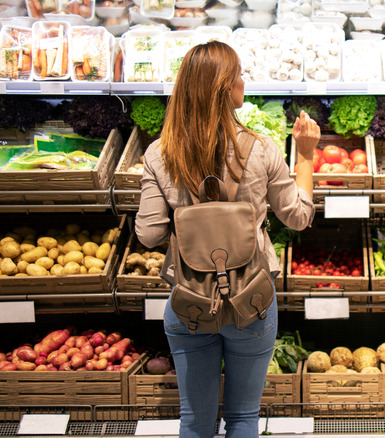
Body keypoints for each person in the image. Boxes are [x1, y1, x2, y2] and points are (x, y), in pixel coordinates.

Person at [135, 41, 319, 438]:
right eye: (237, 74)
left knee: (195, 422)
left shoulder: (159, 153)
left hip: (189, 302)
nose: (243, 80)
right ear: (223, 88)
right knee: (242, 418)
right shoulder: (260, 149)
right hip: (251, 300)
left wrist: (189, 224)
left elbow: (148, 234)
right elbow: (299, 217)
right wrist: (305, 156)